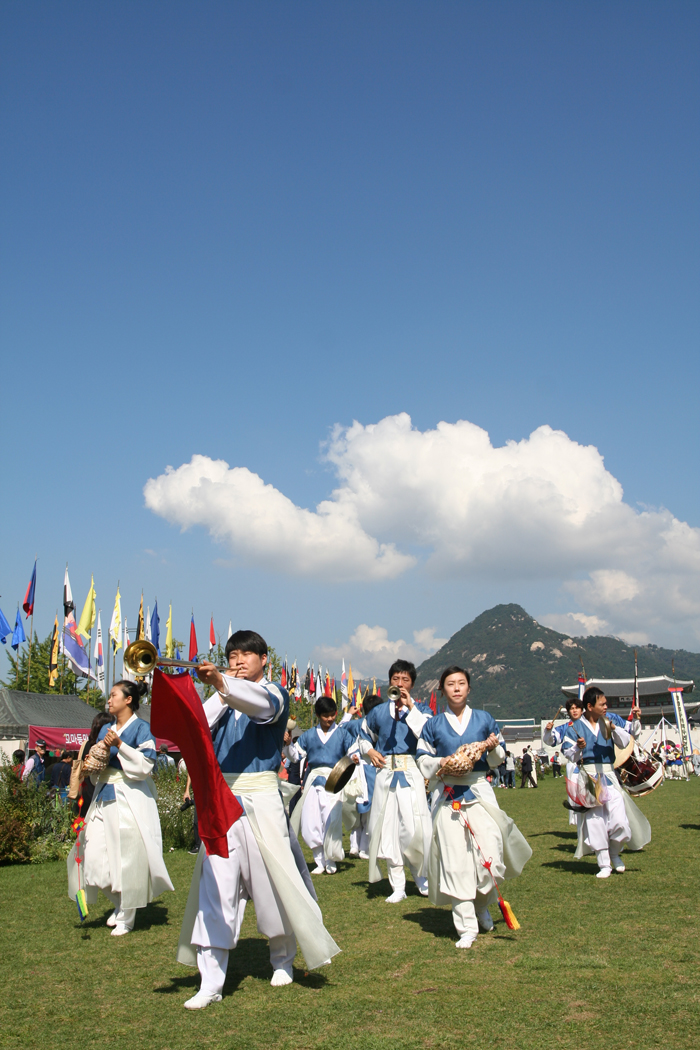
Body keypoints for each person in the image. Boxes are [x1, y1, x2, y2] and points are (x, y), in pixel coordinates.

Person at [178, 630, 340, 1009]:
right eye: (232, 655)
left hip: (263, 797)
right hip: (222, 799)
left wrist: (222, 682)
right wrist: (218, 690)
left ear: (264, 659)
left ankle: (282, 958)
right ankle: (211, 982)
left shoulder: (274, 694)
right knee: (215, 886)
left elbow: (260, 706)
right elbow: (195, 725)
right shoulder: (222, 698)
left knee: (273, 881)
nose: (237, 661)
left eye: (246, 655)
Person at [415, 666, 531, 948]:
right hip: (447, 795)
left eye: (461, 683)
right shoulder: (433, 724)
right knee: (455, 861)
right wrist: (441, 763)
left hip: (479, 790)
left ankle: (481, 903)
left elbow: (498, 758)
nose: (456, 688)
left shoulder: (484, 719)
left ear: (469, 688)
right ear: (442, 690)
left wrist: (492, 748)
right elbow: (421, 759)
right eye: (450, 684)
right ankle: (466, 926)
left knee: (491, 854)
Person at [67, 680, 174, 935]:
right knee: (92, 858)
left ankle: (127, 915)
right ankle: (119, 905)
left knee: (126, 858)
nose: (109, 699)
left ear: (128, 699)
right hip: (103, 794)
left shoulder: (141, 728)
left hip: (128, 798)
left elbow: (147, 765)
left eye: (114, 694)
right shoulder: (106, 727)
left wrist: (120, 745)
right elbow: (98, 761)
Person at [359, 659, 433, 903]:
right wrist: (369, 751)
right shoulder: (378, 711)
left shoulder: (421, 710)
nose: (400, 684)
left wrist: (410, 707)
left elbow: (427, 733)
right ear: (389, 681)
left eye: (405, 680)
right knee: (387, 828)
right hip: (385, 774)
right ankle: (397, 885)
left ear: (412, 684)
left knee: (415, 827)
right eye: (395, 679)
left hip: (411, 771)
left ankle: (422, 878)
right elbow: (363, 736)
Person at [561, 687, 649, 878]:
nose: (606, 707)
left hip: (608, 775)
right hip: (590, 776)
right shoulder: (574, 727)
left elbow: (627, 740)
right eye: (602, 704)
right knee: (595, 820)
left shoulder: (610, 720)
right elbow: (567, 752)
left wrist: (621, 725)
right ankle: (604, 863)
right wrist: (578, 746)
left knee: (619, 819)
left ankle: (615, 853)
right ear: (590, 706)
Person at [289, 696, 356, 874]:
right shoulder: (309, 735)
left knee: (331, 819)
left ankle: (331, 858)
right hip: (313, 779)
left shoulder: (342, 734)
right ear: (318, 715)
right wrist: (288, 744)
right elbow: (296, 756)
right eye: (325, 715)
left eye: (332, 715)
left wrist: (354, 757)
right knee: (311, 820)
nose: (330, 719)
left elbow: (353, 751)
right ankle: (319, 860)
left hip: (335, 778)